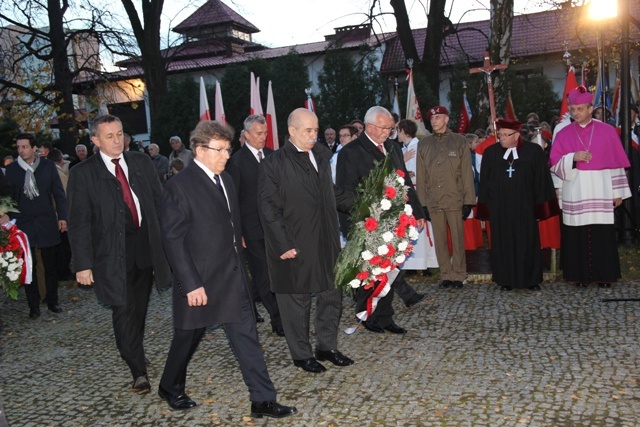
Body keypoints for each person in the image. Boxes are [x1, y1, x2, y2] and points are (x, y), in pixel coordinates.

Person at [158, 120, 296, 418]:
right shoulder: (179, 186)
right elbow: (173, 240)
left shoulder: (226, 180)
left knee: (247, 338)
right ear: (198, 149)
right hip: (200, 282)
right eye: (218, 150)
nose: (225, 156)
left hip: (232, 278)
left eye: (227, 149)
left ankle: (263, 399)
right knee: (187, 338)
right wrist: (191, 284)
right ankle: (170, 386)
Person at [67, 114, 172, 394]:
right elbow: (78, 222)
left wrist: (169, 243)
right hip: (110, 255)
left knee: (138, 307)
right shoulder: (83, 173)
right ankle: (138, 370)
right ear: (95, 140)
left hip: (143, 249)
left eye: (120, 134)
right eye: (109, 136)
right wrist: (83, 264)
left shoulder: (140, 162)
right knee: (123, 308)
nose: (117, 140)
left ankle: (133, 348)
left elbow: (158, 202)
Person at [258, 108, 354, 373]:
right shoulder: (273, 163)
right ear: (292, 131)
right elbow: (268, 208)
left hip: (326, 240)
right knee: (296, 300)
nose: (315, 136)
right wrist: (283, 244)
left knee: (330, 294)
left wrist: (366, 204)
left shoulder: (322, 156)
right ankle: (301, 354)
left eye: (316, 130)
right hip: (295, 242)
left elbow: (330, 193)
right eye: (308, 131)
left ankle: (327, 347)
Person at [336, 106, 426, 334]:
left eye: (391, 129)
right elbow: (344, 194)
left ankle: (386, 318)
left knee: (389, 269)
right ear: (369, 127)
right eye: (385, 128)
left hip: (394, 222)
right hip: (365, 224)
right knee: (371, 271)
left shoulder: (393, 148)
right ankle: (368, 315)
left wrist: (418, 212)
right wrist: (362, 218)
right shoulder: (351, 152)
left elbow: (404, 182)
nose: (389, 132)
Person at [550, 86, 631, 288]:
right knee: (576, 234)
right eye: (573, 109)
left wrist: (618, 192)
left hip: (601, 189)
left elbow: (615, 163)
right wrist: (573, 158)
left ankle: (604, 276)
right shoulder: (563, 133)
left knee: (601, 234)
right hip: (575, 190)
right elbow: (554, 164)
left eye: (580, 109)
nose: (576, 113)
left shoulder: (607, 131)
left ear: (590, 108)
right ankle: (580, 276)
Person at [476, 119, 559, 291]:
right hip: (500, 208)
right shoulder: (491, 153)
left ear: (516, 135)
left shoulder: (533, 151)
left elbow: (541, 180)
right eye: (500, 135)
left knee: (527, 241)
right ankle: (505, 279)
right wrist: (485, 207)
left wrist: (541, 207)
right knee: (503, 242)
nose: (502, 139)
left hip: (525, 207)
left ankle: (531, 279)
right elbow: (484, 182)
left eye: (506, 135)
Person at [227, 115, 284, 336]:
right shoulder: (237, 162)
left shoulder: (273, 156)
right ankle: (277, 319)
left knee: (280, 272)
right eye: (259, 134)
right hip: (252, 229)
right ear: (247, 135)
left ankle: (284, 313)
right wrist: (238, 231)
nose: (263, 137)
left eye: (266, 133)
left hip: (276, 227)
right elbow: (233, 200)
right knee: (263, 275)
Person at [4, 133, 68, 318]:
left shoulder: (48, 166)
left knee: (50, 265)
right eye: (18, 147)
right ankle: (33, 306)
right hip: (24, 223)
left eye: (24, 147)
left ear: (34, 148)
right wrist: (7, 214)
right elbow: (9, 196)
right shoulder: (13, 169)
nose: (21, 150)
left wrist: (62, 216)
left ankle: (52, 300)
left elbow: (58, 193)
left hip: (46, 221)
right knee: (28, 267)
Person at [416, 106, 475, 289]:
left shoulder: (459, 141)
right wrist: (422, 203)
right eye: (432, 118)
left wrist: (468, 200)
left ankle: (459, 273)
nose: (434, 121)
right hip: (434, 199)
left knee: (457, 238)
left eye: (438, 117)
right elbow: (421, 175)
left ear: (447, 119)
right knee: (439, 238)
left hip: (454, 197)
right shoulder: (424, 144)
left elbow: (466, 172)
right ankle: (445, 274)